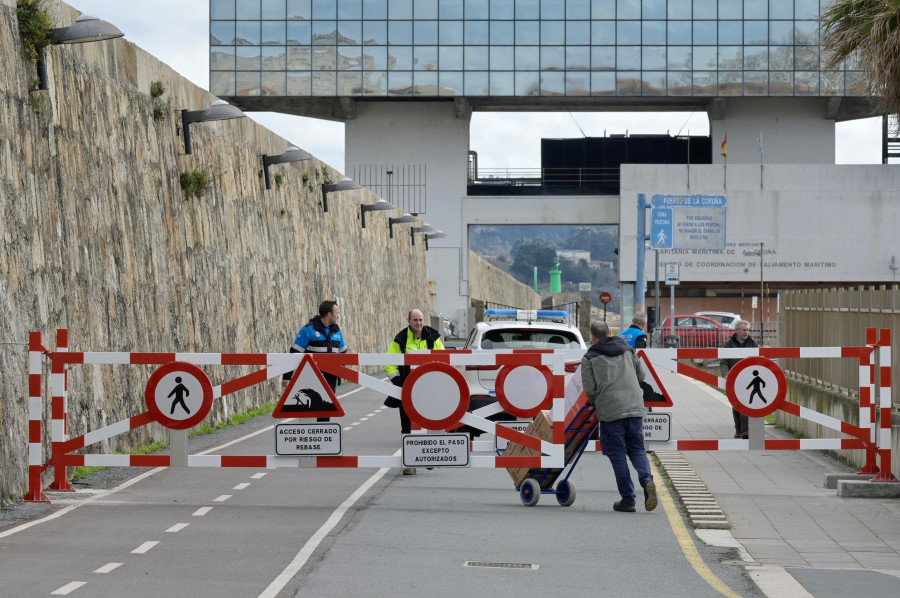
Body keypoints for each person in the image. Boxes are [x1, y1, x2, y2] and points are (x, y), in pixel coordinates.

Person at [581, 320, 657, 513]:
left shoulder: (589, 357)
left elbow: (590, 389)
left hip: (611, 410)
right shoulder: (627, 349)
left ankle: (628, 499)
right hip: (634, 406)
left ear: (593, 337)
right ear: (610, 332)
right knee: (637, 449)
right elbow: (641, 375)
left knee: (617, 455)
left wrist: (594, 402)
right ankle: (647, 480)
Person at [385, 309, 444, 476]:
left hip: (429, 388)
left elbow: (444, 358)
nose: (418, 323)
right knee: (407, 426)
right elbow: (390, 364)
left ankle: (429, 457)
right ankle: (408, 463)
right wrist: (399, 384)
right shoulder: (400, 339)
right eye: (415, 320)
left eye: (421, 320)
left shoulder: (434, 337)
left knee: (431, 423)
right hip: (407, 390)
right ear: (409, 321)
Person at [283, 300, 347, 422]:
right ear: (329, 315)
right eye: (336, 313)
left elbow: (343, 352)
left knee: (326, 408)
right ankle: (308, 437)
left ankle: (322, 436)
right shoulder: (308, 330)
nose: (338, 316)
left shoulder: (337, 332)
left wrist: (340, 370)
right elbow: (294, 353)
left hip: (330, 378)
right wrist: (287, 376)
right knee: (309, 409)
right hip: (311, 376)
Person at [720, 319, 758, 439]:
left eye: (747, 330)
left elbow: (757, 360)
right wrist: (726, 374)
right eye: (743, 330)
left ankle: (745, 431)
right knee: (736, 404)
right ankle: (738, 429)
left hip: (748, 377)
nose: (746, 332)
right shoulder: (728, 344)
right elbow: (723, 362)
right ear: (736, 331)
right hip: (734, 378)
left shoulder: (753, 343)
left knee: (746, 403)